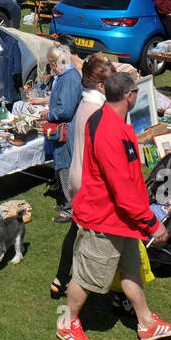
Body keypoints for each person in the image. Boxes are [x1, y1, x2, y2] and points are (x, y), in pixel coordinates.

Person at [57, 70, 171, 340]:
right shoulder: (109, 131)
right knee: (86, 278)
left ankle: (147, 323)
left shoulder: (106, 117)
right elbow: (122, 189)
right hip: (104, 219)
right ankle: (67, 324)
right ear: (129, 96)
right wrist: (151, 221)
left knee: (131, 271)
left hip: (121, 220)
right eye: (136, 91)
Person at [50, 54, 120, 298]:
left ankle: (60, 278)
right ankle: (82, 286)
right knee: (95, 236)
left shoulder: (85, 103)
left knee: (76, 230)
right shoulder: (98, 110)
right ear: (100, 85)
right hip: (90, 179)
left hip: (78, 175)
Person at [38, 43, 83, 223]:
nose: (52, 69)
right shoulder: (67, 76)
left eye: (52, 65)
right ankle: (67, 201)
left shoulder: (70, 79)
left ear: (56, 64)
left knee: (67, 168)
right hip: (64, 130)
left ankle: (72, 208)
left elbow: (65, 110)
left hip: (68, 131)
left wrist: (48, 114)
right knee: (63, 166)